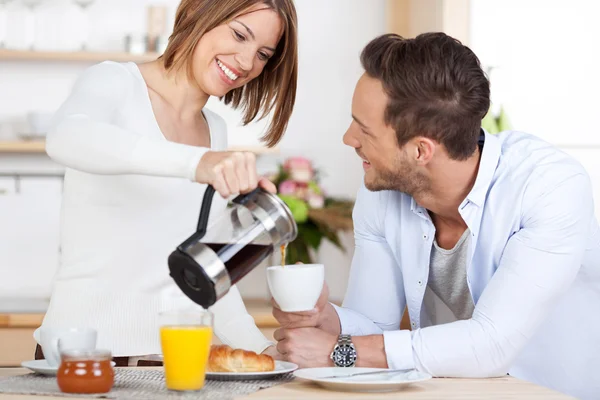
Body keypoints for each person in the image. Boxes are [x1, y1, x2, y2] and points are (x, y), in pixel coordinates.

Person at [271, 33, 600, 399]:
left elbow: (489, 345)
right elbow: (375, 325)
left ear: (420, 151)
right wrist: (325, 319)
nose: (349, 139)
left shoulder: (549, 186)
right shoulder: (380, 192)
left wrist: (338, 350)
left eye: (363, 130)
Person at [38, 0, 298, 366]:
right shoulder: (114, 82)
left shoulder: (215, 131)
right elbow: (66, 137)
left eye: (262, 55)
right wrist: (198, 163)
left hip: (172, 362)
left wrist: (261, 349)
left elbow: (210, 272)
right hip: (83, 357)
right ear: (195, 12)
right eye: (239, 35)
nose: (245, 62)